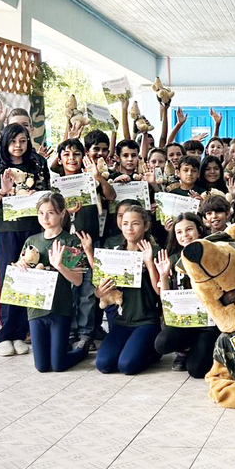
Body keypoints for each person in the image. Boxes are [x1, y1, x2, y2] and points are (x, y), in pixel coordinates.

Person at [0, 122, 50, 357]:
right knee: (7, 280)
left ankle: (20, 334)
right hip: (5, 230)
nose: (17, 146)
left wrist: (35, 196)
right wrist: (4, 191)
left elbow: (47, 195)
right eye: (12, 141)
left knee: (29, 279)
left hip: (32, 231)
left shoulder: (38, 164)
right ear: (5, 143)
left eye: (22, 141)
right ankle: (3, 335)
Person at [54, 139, 115, 351]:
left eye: (76, 154)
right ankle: (70, 332)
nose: (72, 159)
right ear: (60, 159)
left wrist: (98, 177)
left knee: (89, 289)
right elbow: (51, 219)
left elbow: (111, 196)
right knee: (69, 289)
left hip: (91, 241)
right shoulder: (56, 185)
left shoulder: (91, 179)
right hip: (66, 244)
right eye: (67, 155)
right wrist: (66, 213)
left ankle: (86, 333)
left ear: (83, 156)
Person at [89, 204, 161, 374]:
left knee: (127, 366)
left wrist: (149, 262)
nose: (129, 228)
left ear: (146, 225)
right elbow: (98, 292)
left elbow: (159, 291)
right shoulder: (114, 253)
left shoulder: (156, 252)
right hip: (121, 321)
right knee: (104, 364)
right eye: (126, 223)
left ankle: (153, 351)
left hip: (146, 321)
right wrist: (100, 291)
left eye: (135, 223)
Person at [21, 193, 88, 372]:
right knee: (42, 367)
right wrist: (20, 266)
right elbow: (23, 269)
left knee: (58, 365)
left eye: (51, 213)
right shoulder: (32, 241)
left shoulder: (70, 241)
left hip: (60, 307)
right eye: (41, 213)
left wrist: (59, 266)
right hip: (36, 309)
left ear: (62, 214)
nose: (45, 218)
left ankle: (81, 350)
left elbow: (78, 280)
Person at [153, 213, 220, 377]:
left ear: (199, 230)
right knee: (162, 343)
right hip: (185, 322)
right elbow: (166, 302)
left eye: (189, 229)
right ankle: (187, 349)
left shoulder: (214, 254)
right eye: (179, 232)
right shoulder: (173, 259)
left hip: (209, 324)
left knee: (196, 370)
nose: (185, 235)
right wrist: (163, 275)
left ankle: (210, 347)